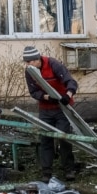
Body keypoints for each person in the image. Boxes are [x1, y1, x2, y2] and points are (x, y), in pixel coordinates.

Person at [23, 45, 78, 182]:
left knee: (64, 138)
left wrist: (67, 95)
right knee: (45, 140)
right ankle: (46, 172)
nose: (28, 65)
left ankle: (69, 170)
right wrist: (47, 97)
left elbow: (71, 81)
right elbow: (34, 92)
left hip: (62, 108)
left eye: (29, 62)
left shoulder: (53, 64)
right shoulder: (29, 71)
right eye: (26, 63)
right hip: (46, 109)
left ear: (36, 60)